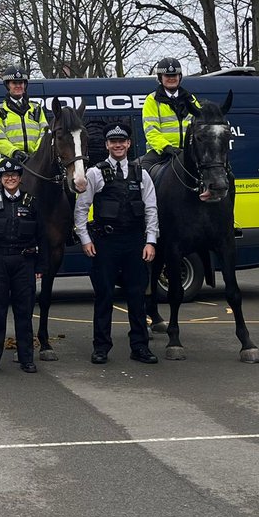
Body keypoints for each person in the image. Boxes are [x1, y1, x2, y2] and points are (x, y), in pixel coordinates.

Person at [73, 123, 159, 365]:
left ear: (129, 144)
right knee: (104, 296)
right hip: (105, 243)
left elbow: (151, 209)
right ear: (107, 145)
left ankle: (140, 347)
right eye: (113, 142)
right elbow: (81, 209)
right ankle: (101, 347)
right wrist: (85, 239)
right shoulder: (94, 173)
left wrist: (150, 241)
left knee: (137, 297)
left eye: (122, 141)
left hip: (134, 242)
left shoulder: (141, 173)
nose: (118, 145)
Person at [0, 157, 45, 374]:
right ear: (0, 179)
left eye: (14, 175)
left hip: (25, 262)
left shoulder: (32, 203)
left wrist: (41, 266)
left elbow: (41, 236)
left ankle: (26, 359)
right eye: (6, 176)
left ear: (20, 178)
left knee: (24, 313)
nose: (10, 178)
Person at [139, 57, 198, 173]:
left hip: (188, 152)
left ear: (179, 77)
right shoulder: (152, 100)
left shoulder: (191, 99)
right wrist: (166, 147)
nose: (171, 78)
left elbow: (200, 126)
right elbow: (151, 130)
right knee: (142, 175)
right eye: (167, 76)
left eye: (174, 75)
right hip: (161, 153)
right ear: (161, 78)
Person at [0, 66, 48, 164]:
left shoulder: (36, 108)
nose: (18, 86)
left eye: (21, 82)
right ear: (8, 85)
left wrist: (36, 151)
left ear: (25, 85)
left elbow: (45, 132)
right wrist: (14, 152)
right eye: (14, 83)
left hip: (35, 159)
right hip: (10, 159)